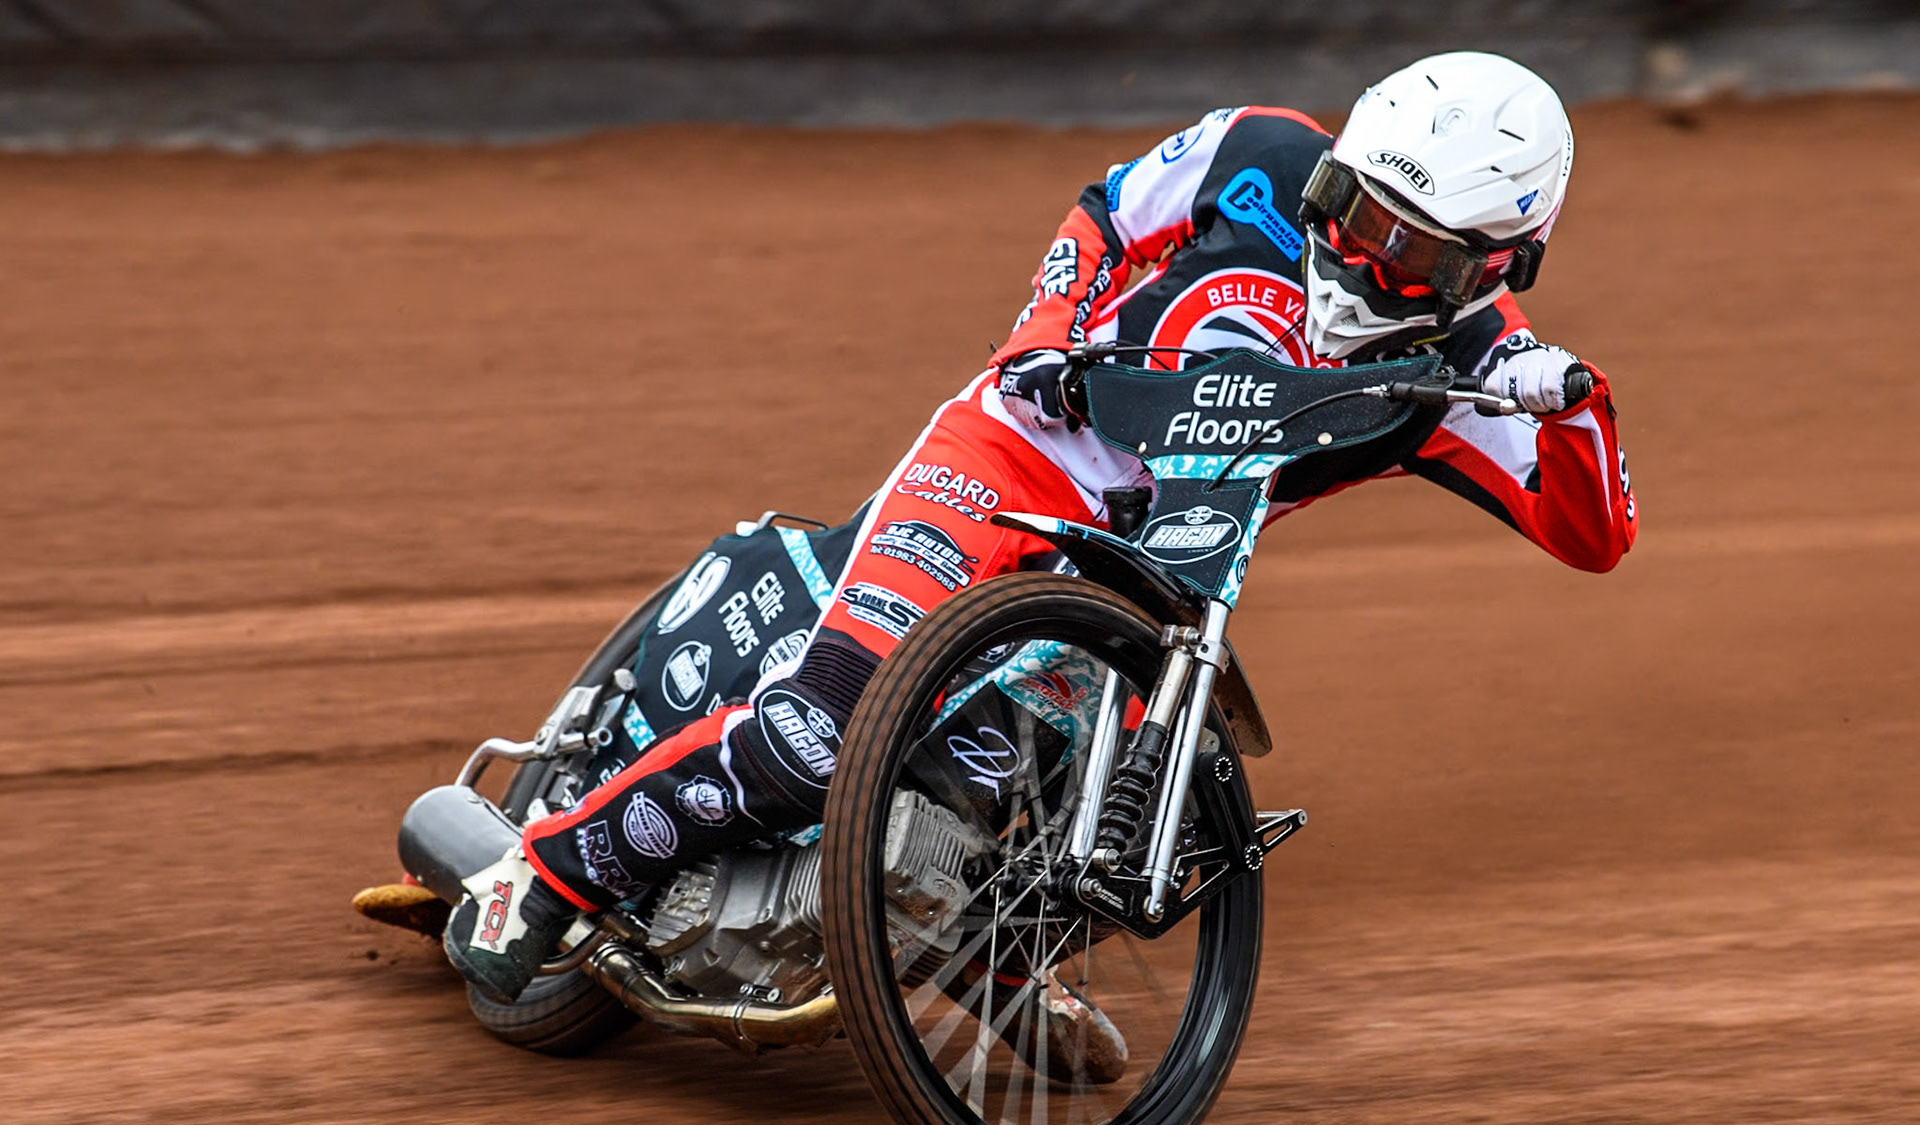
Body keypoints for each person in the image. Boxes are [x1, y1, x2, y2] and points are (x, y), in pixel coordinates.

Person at [445, 50, 1638, 1001]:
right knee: (821, 736)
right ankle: (544, 872)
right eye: (1354, 205)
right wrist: (1042, 340)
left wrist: (1579, 404)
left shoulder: (1486, 370)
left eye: (1411, 246)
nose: (1360, 247)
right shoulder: (1258, 148)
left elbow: (1595, 535)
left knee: (1092, 802)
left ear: (1501, 262)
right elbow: (1108, 212)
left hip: (1149, 569)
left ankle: (991, 964)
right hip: (1008, 452)